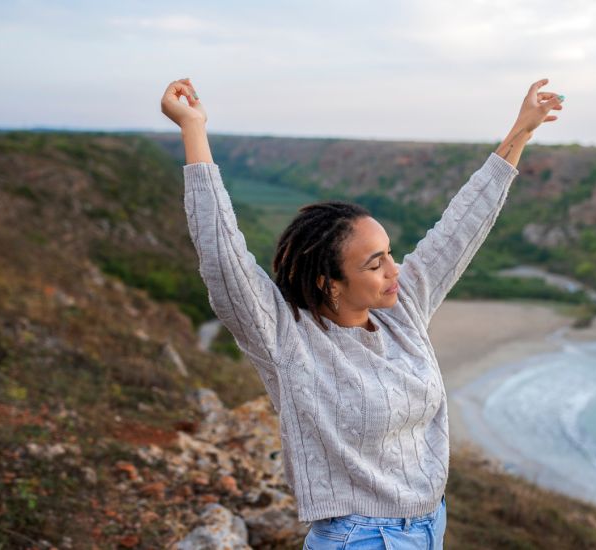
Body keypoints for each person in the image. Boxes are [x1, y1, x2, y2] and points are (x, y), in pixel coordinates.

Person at [160, 77, 563, 550]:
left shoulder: (400, 309)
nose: (396, 270)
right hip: (360, 538)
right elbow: (222, 255)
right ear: (328, 281)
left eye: (390, 253)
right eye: (375, 263)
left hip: (430, 524)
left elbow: (461, 227)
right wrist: (193, 128)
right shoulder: (288, 338)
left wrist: (521, 131)